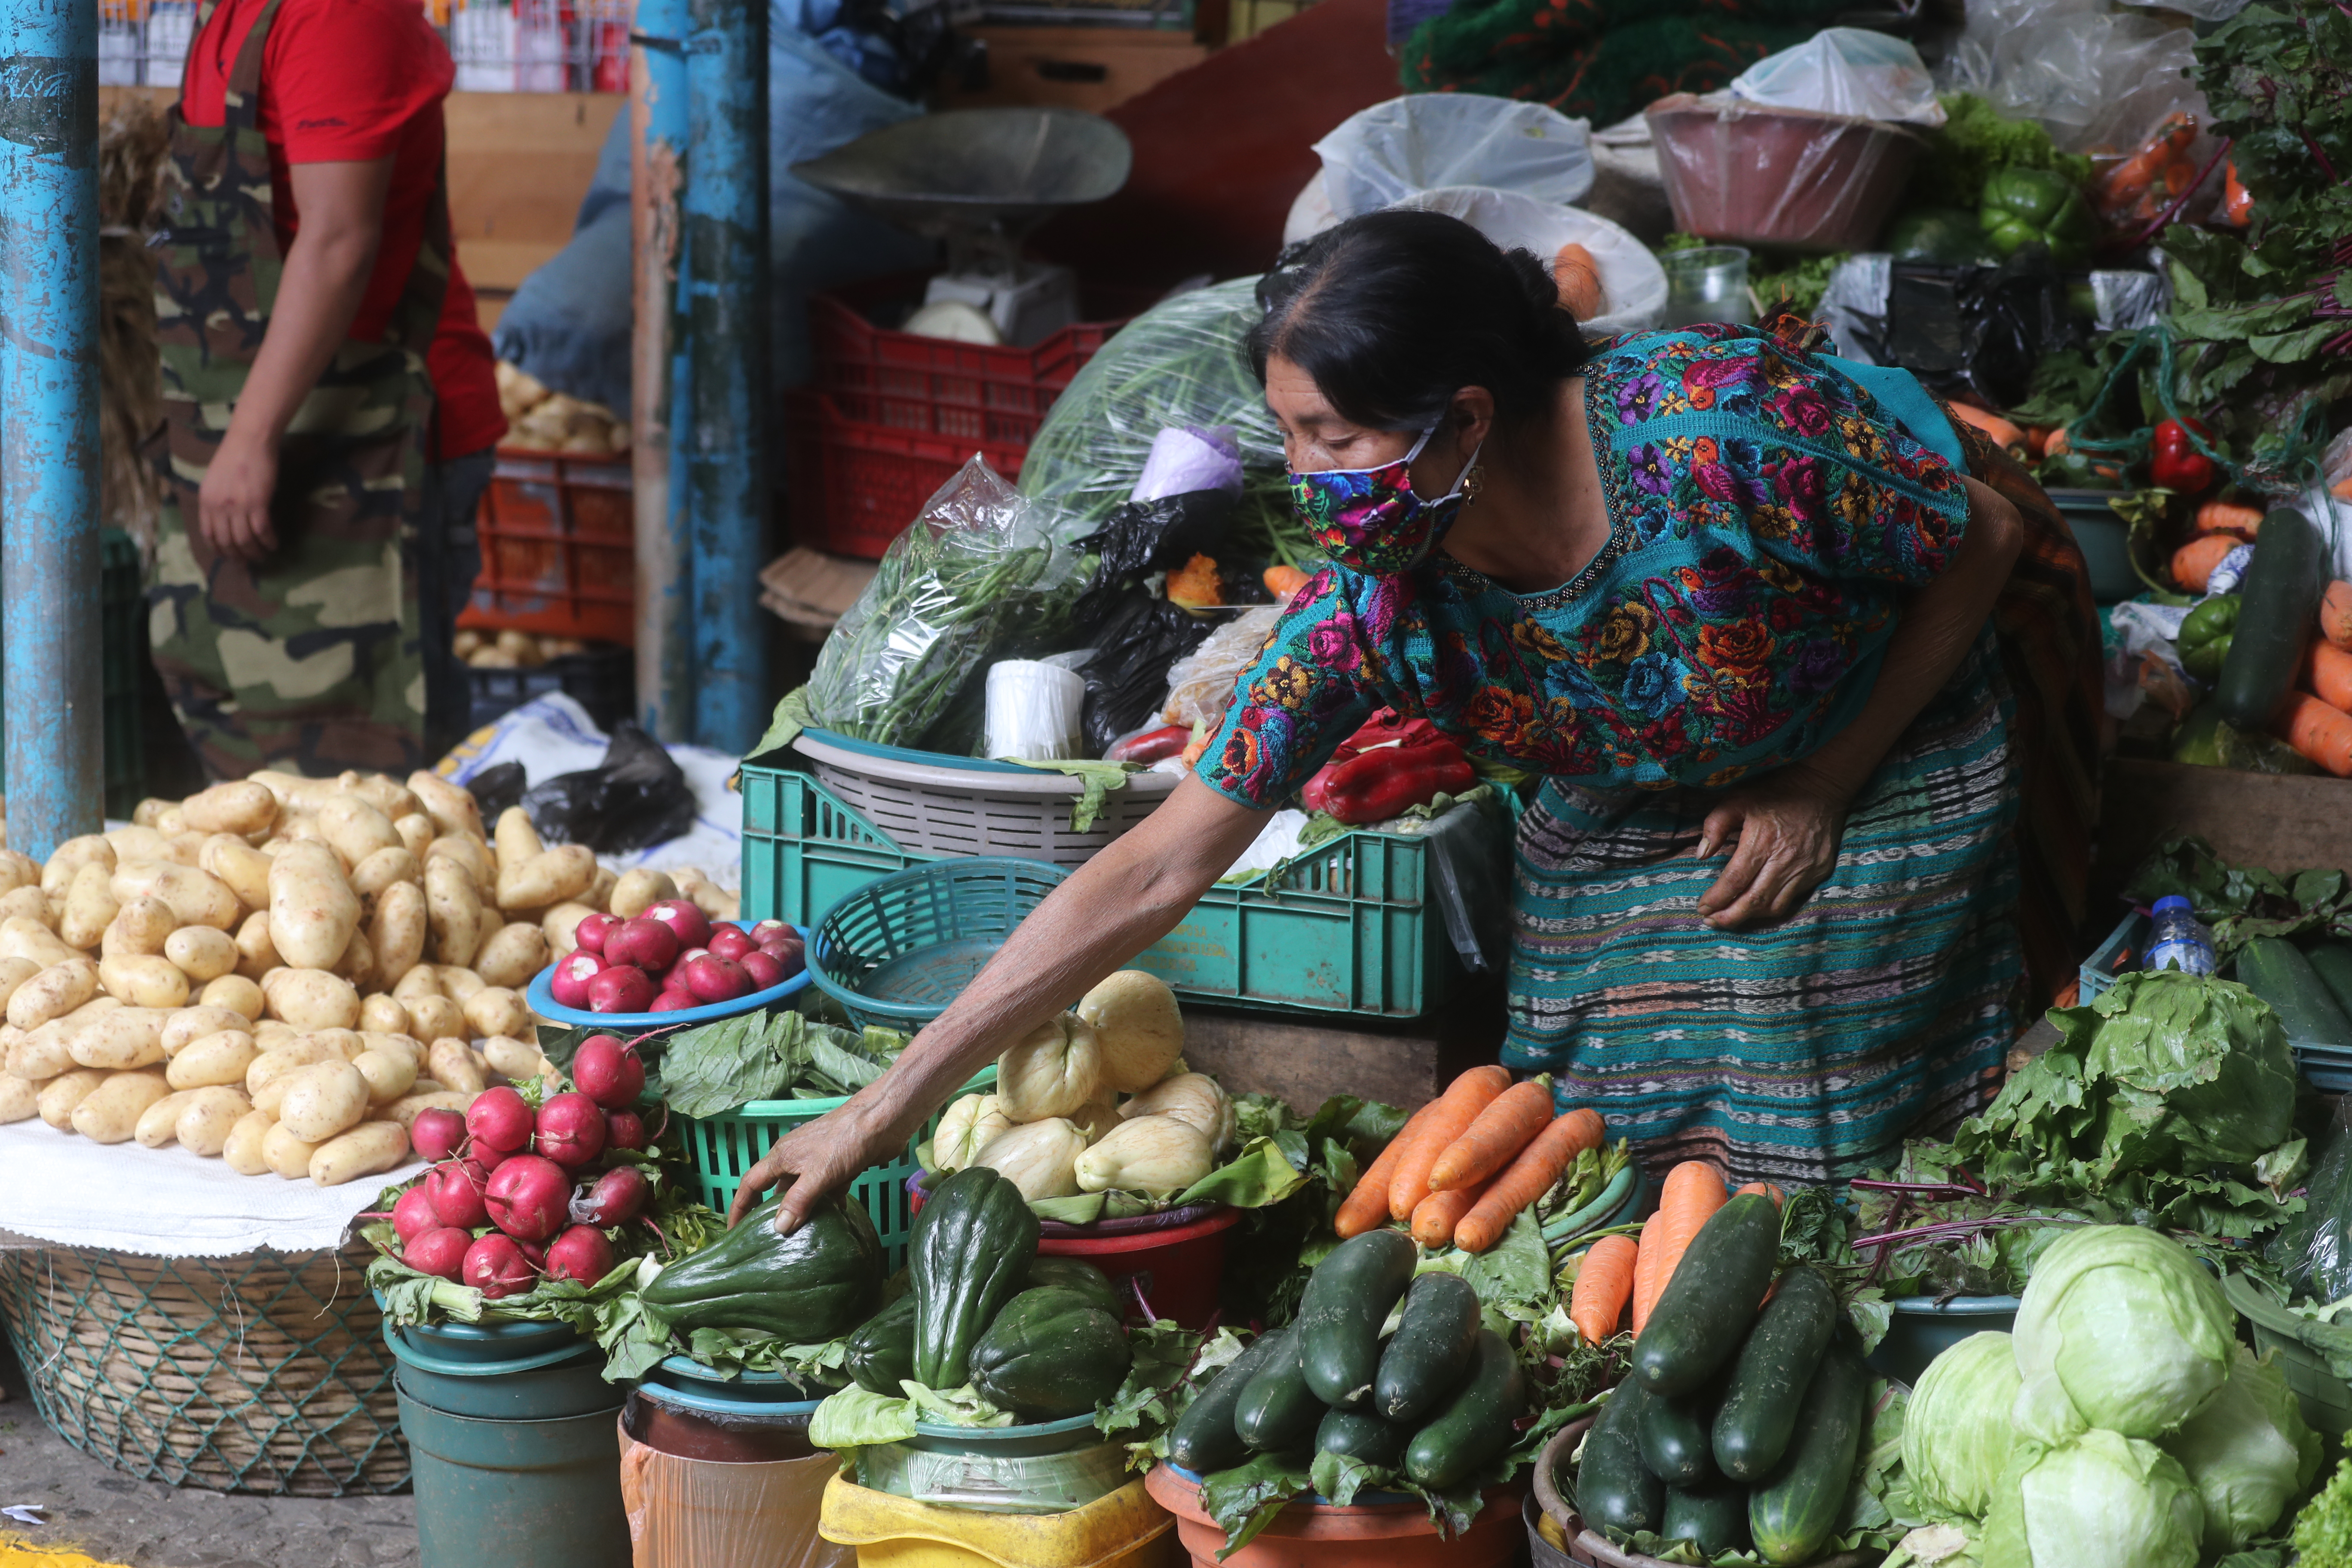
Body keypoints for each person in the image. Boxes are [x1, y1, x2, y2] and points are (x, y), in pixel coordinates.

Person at [730, 210, 2100, 1227]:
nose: (1309, 480)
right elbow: (1158, 862)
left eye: (1334, 437)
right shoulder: (1379, 607)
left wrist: (1823, 781)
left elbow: (1978, 533)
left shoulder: (1714, 435)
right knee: (1581, 1133)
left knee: (1803, 995)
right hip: (1638, 780)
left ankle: (1858, 1244)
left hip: (1887, 713)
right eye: (1291, 438)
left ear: (1462, 421)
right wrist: (878, 1112)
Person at [145, 0, 506, 779]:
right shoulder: (230, 21)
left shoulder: (339, 11)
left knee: (376, 780)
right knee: (257, 771)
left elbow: (340, 237)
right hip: (263, 443)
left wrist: (249, 438)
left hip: (370, 451)